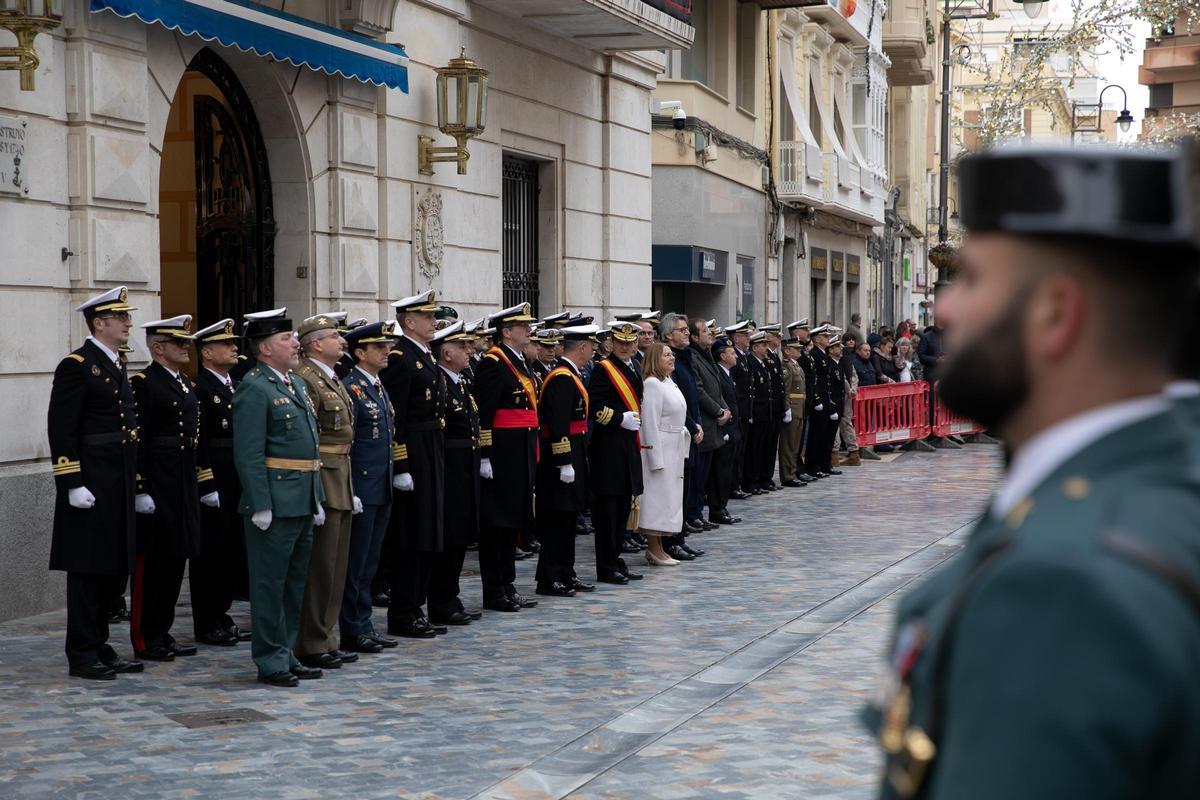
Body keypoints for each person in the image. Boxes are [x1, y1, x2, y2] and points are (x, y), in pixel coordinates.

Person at [867, 144, 1200, 799]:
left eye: (973, 281)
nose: (946, 310)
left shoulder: (1060, 585)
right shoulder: (1161, 485)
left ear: (1054, 312)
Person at [48, 286, 143, 681]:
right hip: (91, 481)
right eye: (120, 318)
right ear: (99, 323)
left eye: (126, 317)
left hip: (117, 480)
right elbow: (61, 426)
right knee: (88, 571)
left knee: (111, 569)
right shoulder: (77, 365)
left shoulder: (116, 363)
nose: (128, 324)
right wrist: (71, 481)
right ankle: (82, 652)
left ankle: (101, 643)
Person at [232, 308, 325, 687]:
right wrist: (261, 503)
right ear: (265, 348)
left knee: (294, 582)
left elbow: (311, 445)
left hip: (302, 497)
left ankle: (285, 652)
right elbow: (249, 453)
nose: (294, 343)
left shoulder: (295, 384)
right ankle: (270, 660)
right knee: (270, 584)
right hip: (275, 500)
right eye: (286, 339)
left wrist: (315, 497)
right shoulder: (255, 387)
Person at [128, 315, 205, 663]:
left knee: (176, 557)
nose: (186, 348)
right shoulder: (145, 383)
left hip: (182, 477)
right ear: (158, 348)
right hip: (158, 480)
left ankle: (164, 629)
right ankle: (146, 635)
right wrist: (140, 486)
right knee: (154, 562)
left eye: (186, 342)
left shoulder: (184, 384)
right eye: (178, 343)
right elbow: (137, 439)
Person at [293, 314, 359, 669]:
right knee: (320, 566)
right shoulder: (307, 379)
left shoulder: (329, 377)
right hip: (323, 476)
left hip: (341, 474)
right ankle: (310, 641)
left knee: (336, 565)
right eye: (335, 336)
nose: (342, 341)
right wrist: (313, 488)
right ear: (315, 344)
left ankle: (325, 636)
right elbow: (309, 438)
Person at [381, 291, 448, 637]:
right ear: (409, 322)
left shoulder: (424, 356)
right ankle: (404, 611)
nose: (434, 322)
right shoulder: (400, 358)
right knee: (412, 533)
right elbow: (397, 418)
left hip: (431, 448)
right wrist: (401, 464)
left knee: (429, 531)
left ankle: (417, 606)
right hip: (415, 452)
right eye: (427, 317)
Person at [475, 303, 541, 611]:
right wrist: (485, 454)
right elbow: (485, 414)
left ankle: (508, 583)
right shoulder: (493, 363)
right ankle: (495, 589)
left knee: (512, 520)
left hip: (520, 451)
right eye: (522, 326)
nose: (529, 330)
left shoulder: (519, 361)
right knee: (497, 524)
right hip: (502, 453)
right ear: (506, 332)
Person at [338, 321, 399, 654]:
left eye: (386, 346)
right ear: (360, 353)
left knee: (370, 562)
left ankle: (364, 624)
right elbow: (347, 443)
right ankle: (352, 628)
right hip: (362, 484)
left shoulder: (377, 385)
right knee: (356, 562)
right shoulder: (352, 387)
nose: (386, 351)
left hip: (380, 484)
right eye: (378, 347)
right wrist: (352, 488)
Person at [191, 318, 251, 647]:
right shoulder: (201, 389)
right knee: (211, 553)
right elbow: (199, 441)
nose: (234, 348)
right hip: (216, 477)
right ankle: (207, 618)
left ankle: (222, 613)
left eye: (234, 343)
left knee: (231, 550)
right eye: (226, 344)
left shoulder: (235, 386)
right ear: (207, 353)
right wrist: (206, 483)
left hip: (237, 477)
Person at [534, 324, 597, 596]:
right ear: (581, 348)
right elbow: (558, 424)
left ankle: (566, 572)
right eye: (591, 347)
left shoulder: (571, 374)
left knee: (569, 519)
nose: (593, 351)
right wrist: (564, 462)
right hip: (561, 459)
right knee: (557, 520)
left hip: (575, 450)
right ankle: (550, 577)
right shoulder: (561, 378)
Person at [429, 321, 486, 624]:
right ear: (446, 353)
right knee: (450, 536)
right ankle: (442, 601)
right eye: (462, 347)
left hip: (466, 464)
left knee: (461, 535)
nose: (469, 351)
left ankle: (451, 596)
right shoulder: (440, 381)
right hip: (450, 467)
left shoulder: (460, 382)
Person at [587, 321, 646, 584]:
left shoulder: (633, 366)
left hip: (627, 446)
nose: (625, 347)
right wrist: (619, 419)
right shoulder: (603, 369)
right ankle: (605, 565)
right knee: (608, 511)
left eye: (629, 342)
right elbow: (595, 406)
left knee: (622, 508)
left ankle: (615, 558)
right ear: (611, 342)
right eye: (620, 342)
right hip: (608, 449)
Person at [637, 342, 690, 567]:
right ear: (654, 359)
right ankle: (654, 548)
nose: (671, 358)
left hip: (674, 447)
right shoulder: (652, 384)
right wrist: (654, 457)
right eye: (666, 355)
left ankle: (659, 547)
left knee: (668, 499)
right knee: (656, 500)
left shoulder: (668, 382)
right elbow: (649, 423)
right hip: (661, 448)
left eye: (671, 355)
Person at [660, 313, 706, 559]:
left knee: (686, 487)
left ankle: (679, 536)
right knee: (675, 491)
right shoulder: (667, 360)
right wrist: (692, 425)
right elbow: (673, 401)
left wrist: (697, 423)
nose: (687, 333)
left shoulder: (686, 357)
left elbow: (691, 397)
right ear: (668, 335)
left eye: (687, 330)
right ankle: (670, 541)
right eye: (681, 330)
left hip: (689, 431)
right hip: (678, 433)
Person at [686, 317, 729, 530]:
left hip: (714, 423)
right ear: (694, 337)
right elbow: (699, 390)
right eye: (704, 331)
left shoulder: (706, 355)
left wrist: (725, 409)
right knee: (697, 475)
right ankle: (692, 514)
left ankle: (697, 514)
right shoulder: (693, 356)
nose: (710, 334)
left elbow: (716, 386)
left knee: (704, 475)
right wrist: (718, 410)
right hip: (704, 422)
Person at [707, 336, 742, 525]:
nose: (735, 355)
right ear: (722, 356)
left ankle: (722, 506)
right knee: (720, 472)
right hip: (724, 430)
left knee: (727, 471)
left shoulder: (727, 374)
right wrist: (726, 429)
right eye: (731, 353)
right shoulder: (718, 374)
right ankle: (717, 509)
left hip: (733, 429)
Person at [805, 325, 839, 478]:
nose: (827, 339)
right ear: (817, 339)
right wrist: (817, 399)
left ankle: (824, 464)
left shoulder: (822, 354)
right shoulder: (815, 355)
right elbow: (816, 381)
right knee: (817, 435)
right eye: (825, 337)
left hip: (827, 399)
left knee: (825, 435)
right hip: (820, 400)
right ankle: (813, 466)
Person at [726, 320, 754, 499]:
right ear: (736, 338)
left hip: (745, 410)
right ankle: (733, 485)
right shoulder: (731, 355)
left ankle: (738, 483)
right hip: (738, 410)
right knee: (735, 452)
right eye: (745, 335)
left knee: (742, 451)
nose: (748, 338)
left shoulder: (742, 355)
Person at [746, 331, 775, 494]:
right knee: (754, 449)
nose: (766, 348)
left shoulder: (762, 363)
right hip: (757, 413)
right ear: (755, 347)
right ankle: (752, 481)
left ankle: (758, 479)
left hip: (765, 413)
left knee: (762, 448)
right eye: (763, 345)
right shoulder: (751, 362)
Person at [777, 337, 807, 487]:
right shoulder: (786, 367)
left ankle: (793, 472)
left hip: (799, 407)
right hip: (793, 408)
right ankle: (787, 475)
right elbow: (786, 390)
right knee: (788, 444)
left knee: (795, 444)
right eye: (795, 348)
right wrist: (787, 408)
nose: (799, 350)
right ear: (787, 351)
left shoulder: (797, 366)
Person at [917, 314, 944, 384]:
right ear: (935, 321)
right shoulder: (926, 337)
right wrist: (936, 360)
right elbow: (921, 356)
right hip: (932, 375)